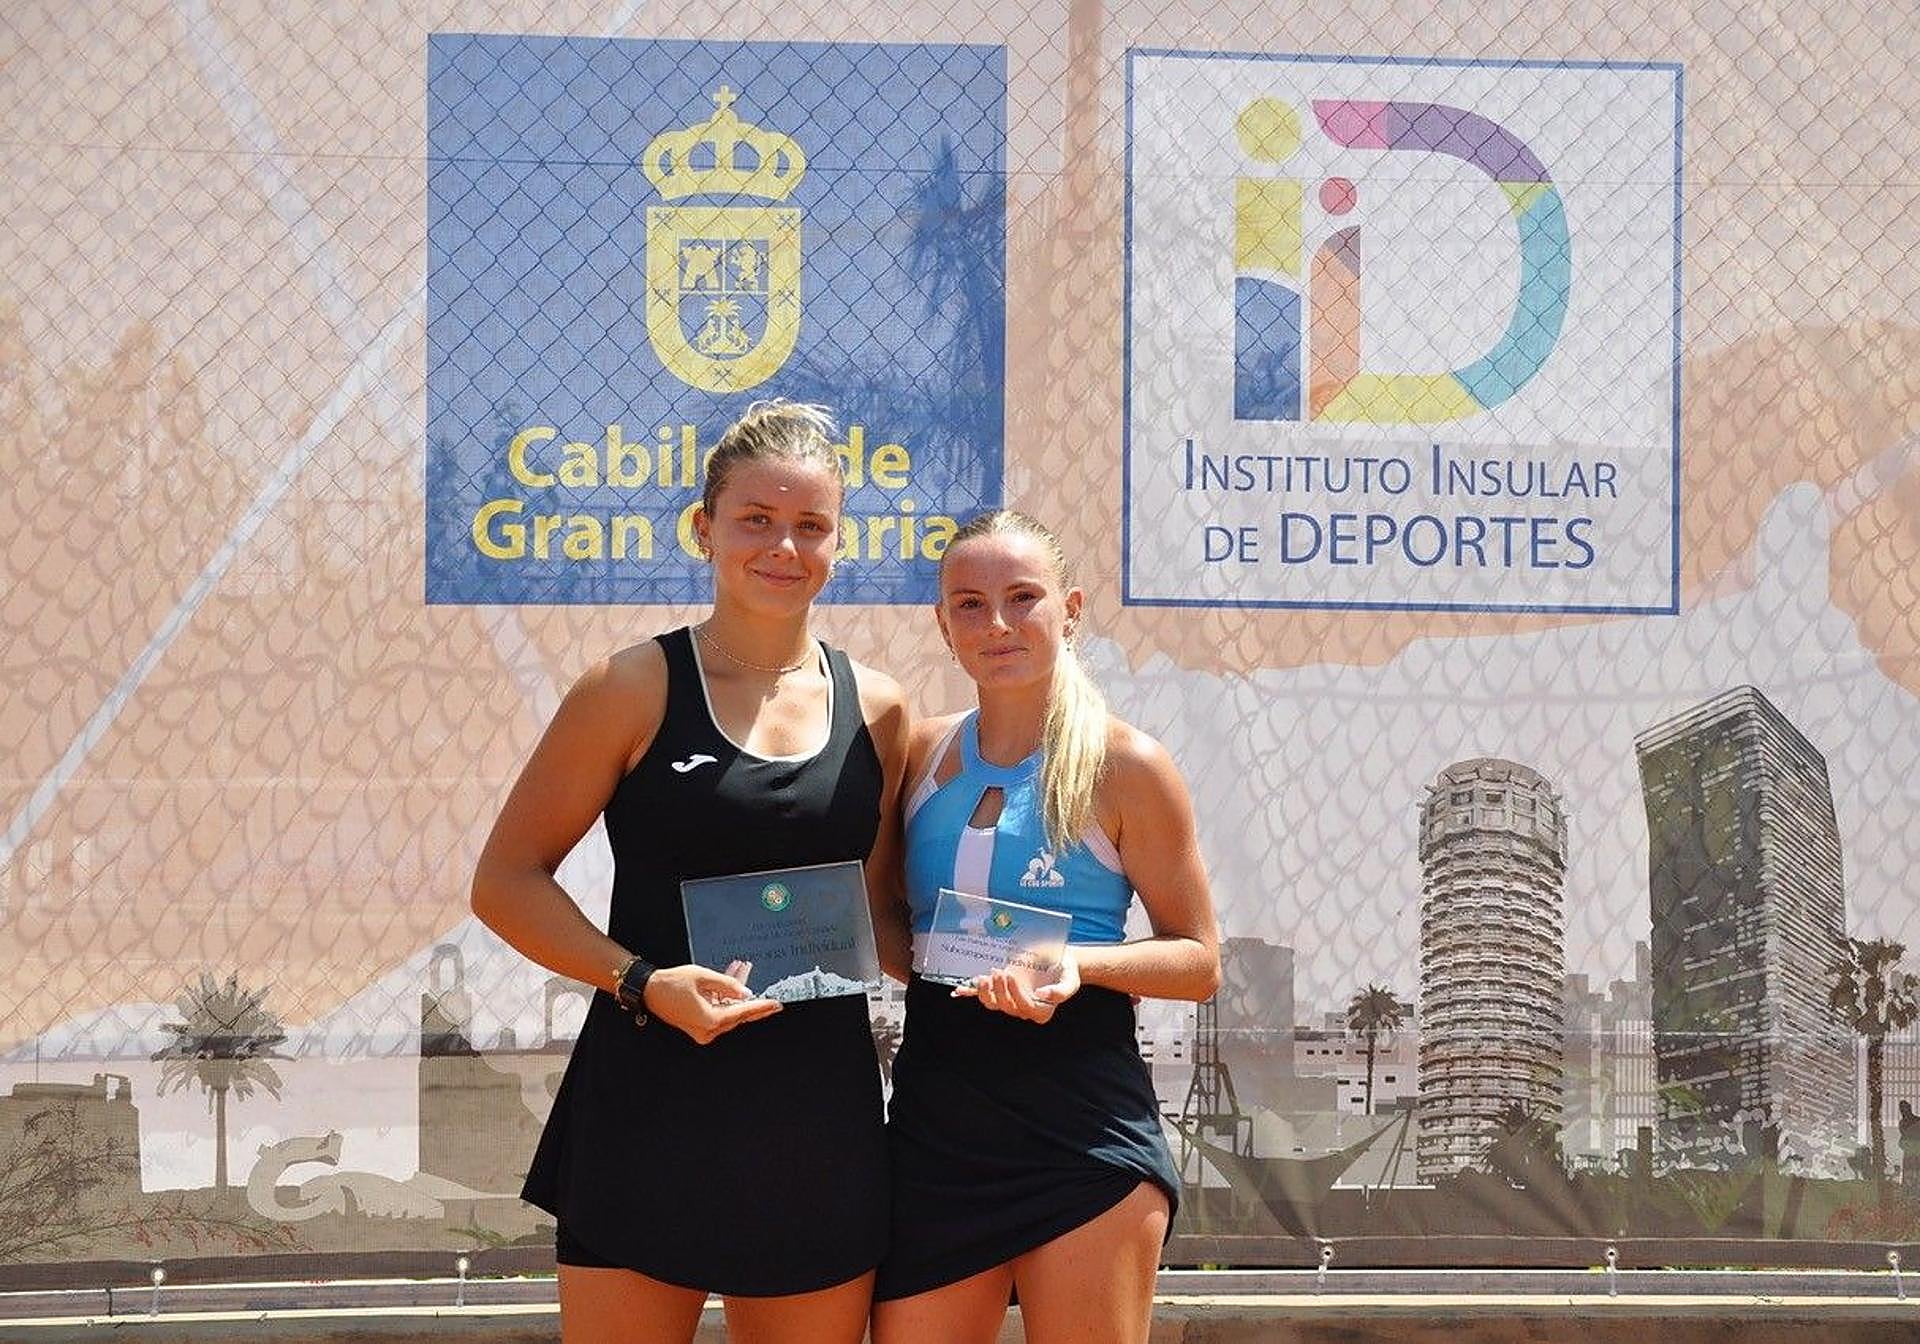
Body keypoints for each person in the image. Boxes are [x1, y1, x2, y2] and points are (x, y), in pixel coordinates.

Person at [470, 401, 909, 1344]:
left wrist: (1026, 960)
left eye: (811, 525)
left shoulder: (880, 709)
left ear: (838, 543)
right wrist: (642, 980)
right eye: (756, 519)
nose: (783, 546)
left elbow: (879, 915)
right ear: (705, 528)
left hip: (815, 1123)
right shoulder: (629, 687)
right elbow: (506, 880)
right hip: (647, 1104)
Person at [872, 509, 1221, 1344]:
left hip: (1082, 1135)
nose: (997, 623)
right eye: (969, 604)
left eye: (1022, 597)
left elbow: (1199, 959)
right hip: (936, 1132)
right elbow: (889, 921)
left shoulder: (1127, 765)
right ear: (942, 623)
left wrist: (1077, 965)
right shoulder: (917, 754)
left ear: (1069, 610)